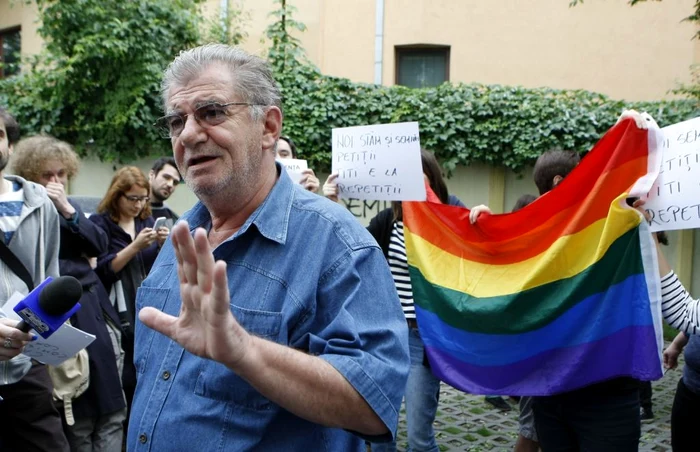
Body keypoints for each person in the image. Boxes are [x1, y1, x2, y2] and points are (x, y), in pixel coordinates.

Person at [127, 44, 410, 451]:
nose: (188, 133)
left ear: (268, 128)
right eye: (176, 121)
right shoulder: (180, 237)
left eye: (211, 112)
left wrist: (244, 350)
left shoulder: (338, 244)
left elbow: (373, 403)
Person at [329, 149, 465, 452]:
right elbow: (351, 250)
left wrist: (478, 217)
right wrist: (332, 203)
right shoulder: (388, 221)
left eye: (416, 176)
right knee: (380, 437)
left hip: (422, 338)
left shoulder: (450, 211)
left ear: (431, 176)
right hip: (387, 336)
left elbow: (471, 240)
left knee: (418, 437)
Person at [11, 135, 127, 451]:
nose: (56, 181)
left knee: (108, 396)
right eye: (47, 175)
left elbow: (99, 245)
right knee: (71, 398)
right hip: (52, 307)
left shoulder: (69, 207)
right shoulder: (25, 210)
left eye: (61, 174)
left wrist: (65, 207)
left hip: (91, 305)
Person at [0, 108, 70, 451]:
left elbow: (49, 277)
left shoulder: (38, 202)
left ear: (10, 145)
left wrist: (46, 343)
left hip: (27, 368)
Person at [90, 166, 167, 420]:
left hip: (145, 305)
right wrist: (134, 247)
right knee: (122, 372)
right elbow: (101, 271)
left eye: (143, 199)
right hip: (114, 309)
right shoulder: (100, 223)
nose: (138, 205)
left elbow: (159, 266)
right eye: (132, 199)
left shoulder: (146, 220)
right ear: (116, 195)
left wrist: (163, 245)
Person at [148, 157, 181, 227]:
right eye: (166, 177)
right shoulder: (130, 209)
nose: (170, 184)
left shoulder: (172, 218)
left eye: (175, 182)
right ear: (151, 175)